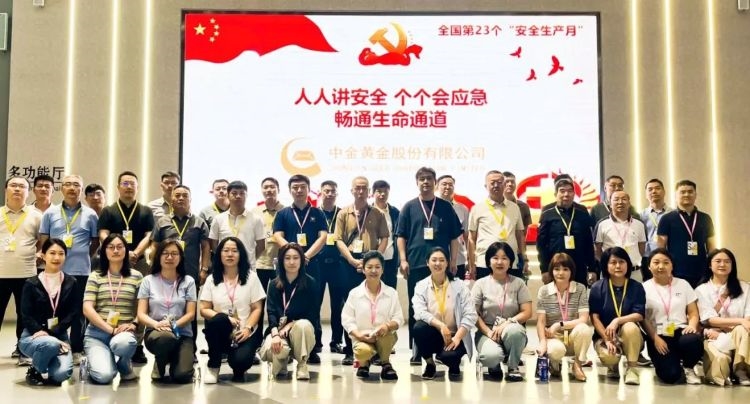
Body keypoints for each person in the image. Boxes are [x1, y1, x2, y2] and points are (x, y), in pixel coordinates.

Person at [396, 167, 463, 364]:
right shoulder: (409, 207)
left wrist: (453, 260)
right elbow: (401, 236)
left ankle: (445, 344)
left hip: (441, 265)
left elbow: (454, 237)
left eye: (429, 179)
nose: (425, 182)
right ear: (417, 182)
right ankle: (417, 349)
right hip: (416, 264)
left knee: (443, 306)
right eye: (422, 179)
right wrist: (403, 260)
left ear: (435, 183)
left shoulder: (445, 207)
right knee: (416, 307)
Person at [39, 174, 100, 365]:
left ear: (81, 189)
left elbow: (95, 242)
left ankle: (77, 348)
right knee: (53, 309)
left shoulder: (90, 214)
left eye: (76, 185)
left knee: (79, 312)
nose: (72, 188)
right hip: (55, 271)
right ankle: (53, 345)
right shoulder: (50, 213)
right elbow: (44, 240)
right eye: (68, 184)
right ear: (61, 188)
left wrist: (81, 255)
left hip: (81, 271)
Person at [97, 171, 155, 363]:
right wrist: (120, 251)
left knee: (139, 302)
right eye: (125, 183)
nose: (129, 187)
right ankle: (108, 337)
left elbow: (149, 236)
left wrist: (135, 253)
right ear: (118, 187)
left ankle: (136, 345)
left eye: (132, 184)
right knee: (113, 298)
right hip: (113, 262)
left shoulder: (146, 211)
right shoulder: (108, 210)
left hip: (138, 262)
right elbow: (103, 234)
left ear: (137, 187)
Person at [272, 174, 327, 364]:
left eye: (302, 187)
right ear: (290, 190)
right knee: (287, 303)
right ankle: (285, 343)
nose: (299, 190)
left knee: (313, 304)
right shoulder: (283, 214)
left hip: (312, 265)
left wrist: (305, 257)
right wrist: (293, 255)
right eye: (295, 187)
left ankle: (312, 347)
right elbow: (277, 236)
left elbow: (323, 237)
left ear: (309, 189)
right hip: (288, 266)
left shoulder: (317, 213)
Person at [335, 176, 389, 365]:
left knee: (373, 305)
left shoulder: (377, 213)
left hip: (370, 264)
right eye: (357, 188)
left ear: (369, 192)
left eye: (364, 188)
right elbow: (338, 239)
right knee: (349, 306)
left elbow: (384, 237)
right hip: (348, 264)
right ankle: (350, 350)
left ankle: (375, 350)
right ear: (352, 190)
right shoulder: (343, 213)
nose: (360, 191)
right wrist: (351, 260)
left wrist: (374, 259)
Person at [151, 184, 210, 352]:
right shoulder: (162, 221)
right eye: (177, 195)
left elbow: (205, 247)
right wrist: (154, 269)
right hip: (166, 275)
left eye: (185, 195)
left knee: (190, 313)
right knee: (166, 308)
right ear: (171, 199)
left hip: (190, 275)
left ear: (190, 199)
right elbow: (155, 246)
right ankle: (166, 344)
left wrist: (204, 269)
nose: (181, 198)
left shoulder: (199, 222)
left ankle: (190, 348)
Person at [200, 237, 265, 383]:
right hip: (221, 330)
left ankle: (238, 364)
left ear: (241, 254)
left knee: (240, 362)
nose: (230, 254)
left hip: (244, 332)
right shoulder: (212, 279)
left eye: (234, 251)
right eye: (226, 251)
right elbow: (204, 309)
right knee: (219, 320)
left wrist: (248, 328)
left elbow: (257, 308)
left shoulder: (251, 278)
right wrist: (226, 318)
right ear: (219, 254)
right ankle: (213, 366)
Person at [82, 234, 142, 384]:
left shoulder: (137, 276)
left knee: (123, 344)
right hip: (97, 334)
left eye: (120, 247)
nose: (115, 250)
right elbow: (87, 308)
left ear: (126, 250)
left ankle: (124, 364)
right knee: (104, 376)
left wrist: (134, 323)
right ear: (104, 251)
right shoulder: (95, 276)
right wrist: (110, 330)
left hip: (123, 332)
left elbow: (143, 308)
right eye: (111, 247)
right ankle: (99, 362)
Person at [18, 238, 79, 385]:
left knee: (61, 375)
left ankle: (47, 359)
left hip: (60, 335)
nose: (56, 257)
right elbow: (25, 314)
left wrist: (55, 331)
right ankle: (35, 370)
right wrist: (39, 330)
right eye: (52, 253)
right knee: (50, 344)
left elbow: (73, 312)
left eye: (61, 253)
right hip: (33, 335)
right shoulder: (31, 283)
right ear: (43, 255)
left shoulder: (71, 282)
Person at [137, 240, 198, 383]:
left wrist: (173, 325)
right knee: (165, 338)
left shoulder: (188, 281)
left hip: (182, 333)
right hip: (157, 333)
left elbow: (191, 314)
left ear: (180, 257)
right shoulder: (148, 280)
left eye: (174, 254)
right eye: (165, 253)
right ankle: (160, 360)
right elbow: (141, 314)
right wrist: (156, 324)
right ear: (158, 256)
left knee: (182, 375)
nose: (170, 257)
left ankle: (176, 358)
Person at [412, 247, 476, 380]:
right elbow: (419, 312)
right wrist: (441, 326)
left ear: (447, 263)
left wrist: (457, 337)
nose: (438, 263)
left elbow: (470, 314)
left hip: (455, 335)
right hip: (434, 332)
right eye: (434, 260)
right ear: (427, 262)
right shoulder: (421, 286)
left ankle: (454, 364)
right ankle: (430, 363)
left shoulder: (460, 286)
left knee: (449, 357)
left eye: (442, 260)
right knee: (418, 328)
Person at [472, 242, 531, 382]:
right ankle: (494, 363)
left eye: (504, 258)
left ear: (510, 262)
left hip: (511, 328)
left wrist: (507, 323)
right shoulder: (480, 284)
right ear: (488, 261)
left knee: (515, 331)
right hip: (487, 331)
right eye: (495, 258)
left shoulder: (518, 283)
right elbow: (474, 313)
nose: (500, 262)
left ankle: (513, 367)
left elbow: (527, 312)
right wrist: (488, 332)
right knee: (490, 357)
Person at [641, 248, 702, 384]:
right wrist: (655, 338)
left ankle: (688, 367)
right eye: (656, 262)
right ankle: (672, 363)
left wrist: (692, 326)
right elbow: (643, 318)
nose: (661, 266)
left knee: (693, 340)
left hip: (680, 330)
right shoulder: (643, 288)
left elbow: (693, 312)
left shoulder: (683, 284)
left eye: (666, 262)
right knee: (670, 376)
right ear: (649, 266)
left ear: (672, 266)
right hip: (658, 334)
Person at [260, 243, 320, 380]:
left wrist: (290, 324)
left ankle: (302, 364)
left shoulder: (310, 283)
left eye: (295, 258)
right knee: (274, 349)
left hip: (301, 331)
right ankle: (282, 361)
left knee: (303, 325)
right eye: (287, 258)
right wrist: (275, 334)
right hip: (278, 331)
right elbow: (271, 312)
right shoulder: (274, 284)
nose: (292, 262)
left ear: (302, 260)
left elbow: (313, 314)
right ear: (281, 261)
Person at [341, 251, 403, 380]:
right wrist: (359, 335)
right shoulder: (354, 293)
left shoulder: (391, 293)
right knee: (363, 351)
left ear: (382, 270)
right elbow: (347, 319)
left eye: (377, 267)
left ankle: (386, 363)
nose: (373, 270)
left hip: (384, 336)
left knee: (386, 338)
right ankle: (364, 363)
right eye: (369, 267)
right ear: (363, 270)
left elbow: (399, 318)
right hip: (362, 337)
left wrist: (387, 326)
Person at [1, 177, 43, 365]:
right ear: (6, 190)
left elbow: (42, 241)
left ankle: (23, 350)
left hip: (27, 274)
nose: (17, 189)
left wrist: (37, 253)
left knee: (25, 315)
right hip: (0, 273)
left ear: (28, 192)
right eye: (13, 185)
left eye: (22, 186)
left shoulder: (36, 215)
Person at [590, 247, 646, 385]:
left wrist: (617, 320)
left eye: (621, 262)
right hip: (605, 335)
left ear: (628, 264)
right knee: (610, 356)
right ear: (606, 265)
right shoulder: (597, 287)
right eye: (613, 262)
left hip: (629, 335)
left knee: (630, 327)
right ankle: (612, 365)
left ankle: (632, 369)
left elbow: (639, 315)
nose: (618, 266)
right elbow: (594, 318)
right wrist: (607, 338)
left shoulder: (636, 287)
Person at [696, 248, 750, 386]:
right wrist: (740, 321)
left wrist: (739, 324)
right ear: (710, 265)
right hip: (714, 335)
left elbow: (748, 315)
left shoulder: (745, 287)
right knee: (720, 364)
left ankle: (740, 370)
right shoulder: (702, 290)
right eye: (718, 261)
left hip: (740, 334)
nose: (722, 264)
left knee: (741, 330)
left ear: (732, 265)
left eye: (727, 261)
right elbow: (709, 319)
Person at [535, 252, 592, 382]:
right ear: (551, 271)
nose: (561, 273)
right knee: (555, 351)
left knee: (584, 329)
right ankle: (554, 364)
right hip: (553, 336)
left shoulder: (580, 289)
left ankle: (577, 365)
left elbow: (583, 319)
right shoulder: (544, 291)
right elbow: (541, 321)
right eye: (557, 269)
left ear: (571, 271)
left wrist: (559, 324)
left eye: (565, 269)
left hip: (573, 335)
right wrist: (542, 342)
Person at [468, 170, 527, 280]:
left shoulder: (514, 208)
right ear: (486, 186)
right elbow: (471, 238)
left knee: (511, 291)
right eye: (492, 183)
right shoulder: (477, 208)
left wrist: (524, 258)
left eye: (499, 182)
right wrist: (471, 264)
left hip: (511, 262)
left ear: (504, 185)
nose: (496, 185)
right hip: (484, 264)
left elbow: (520, 235)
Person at [537, 177, 597, 286]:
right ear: (555, 194)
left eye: (570, 191)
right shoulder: (547, 215)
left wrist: (592, 269)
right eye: (562, 191)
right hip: (556, 267)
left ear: (574, 194)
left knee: (579, 295)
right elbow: (541, 245)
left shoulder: (582, 214)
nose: (566, 194)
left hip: (579, 267)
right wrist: (544, 269)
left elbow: (588, 243)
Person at [657, 180, 716, 288]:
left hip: (701, 273)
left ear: (695, 195)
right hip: (676, 273)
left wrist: (712, 269)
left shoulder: (705, 218)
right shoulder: (666, 219)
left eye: (690, 191)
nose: (686, 194)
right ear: (676, 195)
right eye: (682, 192)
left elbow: (711, 247)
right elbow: (661, 248)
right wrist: (665, 270)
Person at [317, 180, 345, 356]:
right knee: (315, 304)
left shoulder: (342, 213)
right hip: (318, 265)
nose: (329, 194)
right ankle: (316, 342)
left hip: (337, 265)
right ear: (320, 193)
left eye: (333, 191)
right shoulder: (314, 213)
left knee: (338, 306)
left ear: (337, 193)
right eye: (326, 191)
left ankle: (336, 341)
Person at [209, 180, 265, 268]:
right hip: (224, 268)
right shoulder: (218, 219)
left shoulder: (256, 219)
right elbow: (213, 244)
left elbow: (261, 246)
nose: (238, 196)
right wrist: (224, 258)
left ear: (246, 196)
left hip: (248, 268)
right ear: (228, 195)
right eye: (234, 193)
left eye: (242, 193)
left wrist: (248, 259)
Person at [594, 190, 647, 281]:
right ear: (610, 204)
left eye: (624, 199)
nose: (620, 202)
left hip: (634, 272)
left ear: (629, 203)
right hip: (611, 273)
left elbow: (641, 248)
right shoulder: (602, 224)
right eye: (616, 199)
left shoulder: (639, 224)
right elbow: (597, 250)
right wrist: (606, 263)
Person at [437, 175, 469, 280]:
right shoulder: (431, 207)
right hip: (436, 259)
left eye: (450, 185)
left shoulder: (462, 209)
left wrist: (469, 259)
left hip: (458, 260)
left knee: (456, 289)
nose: (447, 187)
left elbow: (467, 236)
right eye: (444, 184)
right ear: (437, 186)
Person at [640, 178, 672, 281]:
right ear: (646, 194)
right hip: (647, 257)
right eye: (650, 189)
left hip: (668, 256)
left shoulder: (673, 214)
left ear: (664, 192)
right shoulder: (640, 216)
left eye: (657, 188)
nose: (654, 191)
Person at [502, 171, 533, 277]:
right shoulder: (492, 206)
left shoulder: (523, 207)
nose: (510, 184)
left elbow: (523, 235)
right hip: (497, 253)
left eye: (512, 182)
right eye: (507, 181)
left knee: (516, 284)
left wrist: (525, 258)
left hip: (517, 253)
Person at [372, 180, 400, 289]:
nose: (382, 194)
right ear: (373, 193)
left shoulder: (395, 212)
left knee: (390, 290)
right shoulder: (367, 211)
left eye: (385, 191)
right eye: (379, 191)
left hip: (390, 258)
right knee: (373, 289)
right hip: (372, 258)